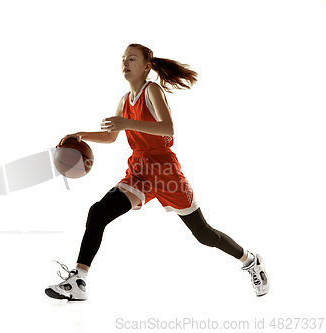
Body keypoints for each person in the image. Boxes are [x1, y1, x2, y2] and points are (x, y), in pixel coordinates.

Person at [45, 43, 269, 301]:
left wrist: (125, 123)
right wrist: (80, 134)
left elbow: (168, 128)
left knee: (203, 234)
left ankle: (251, 260)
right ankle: (79, 280)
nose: (125, 63)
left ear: (147, 66)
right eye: (123, 59)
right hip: (139, 171)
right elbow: (111, 137)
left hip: (165, 173)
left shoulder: (153, 90)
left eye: (131, 59)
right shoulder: (124, 100)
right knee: (98, 212)